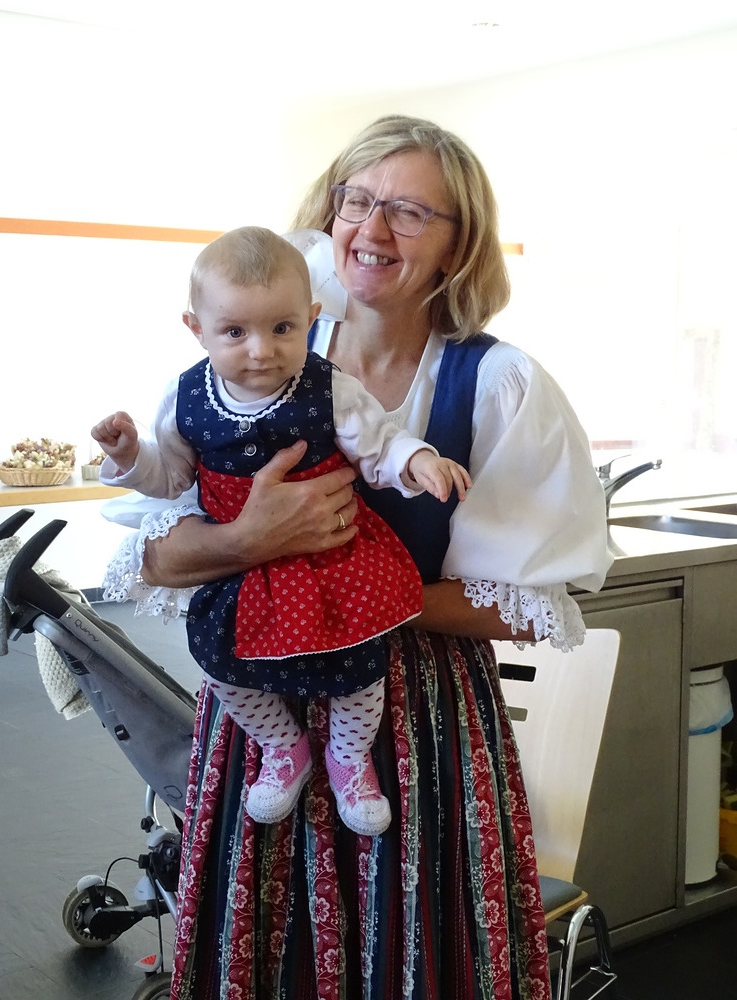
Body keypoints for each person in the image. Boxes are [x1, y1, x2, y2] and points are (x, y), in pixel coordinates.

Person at [101, 115, 612, 999]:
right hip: (262, 700)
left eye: (410, 212)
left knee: (413, 945)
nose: (373, 229)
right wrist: (251, 542)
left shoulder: (498, 386)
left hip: (418, 723)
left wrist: (350, 596)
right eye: (357, 200)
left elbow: (528, 605)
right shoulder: (253, 350)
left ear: (459, 245)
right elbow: (151, 559)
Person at [92, 225, 471, 839]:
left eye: (282, 328)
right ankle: (282, 747)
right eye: (235, 332)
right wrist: (131, 456)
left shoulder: (331, 388)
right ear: (196, 328)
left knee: (360, 662)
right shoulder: (185, 397)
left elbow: (378, 444)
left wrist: (416, 461)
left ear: (311, 318)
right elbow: (171, 479)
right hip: (242, 570)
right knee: (221, 661)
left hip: (332, 561)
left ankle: (349, 761)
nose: (261, 350)